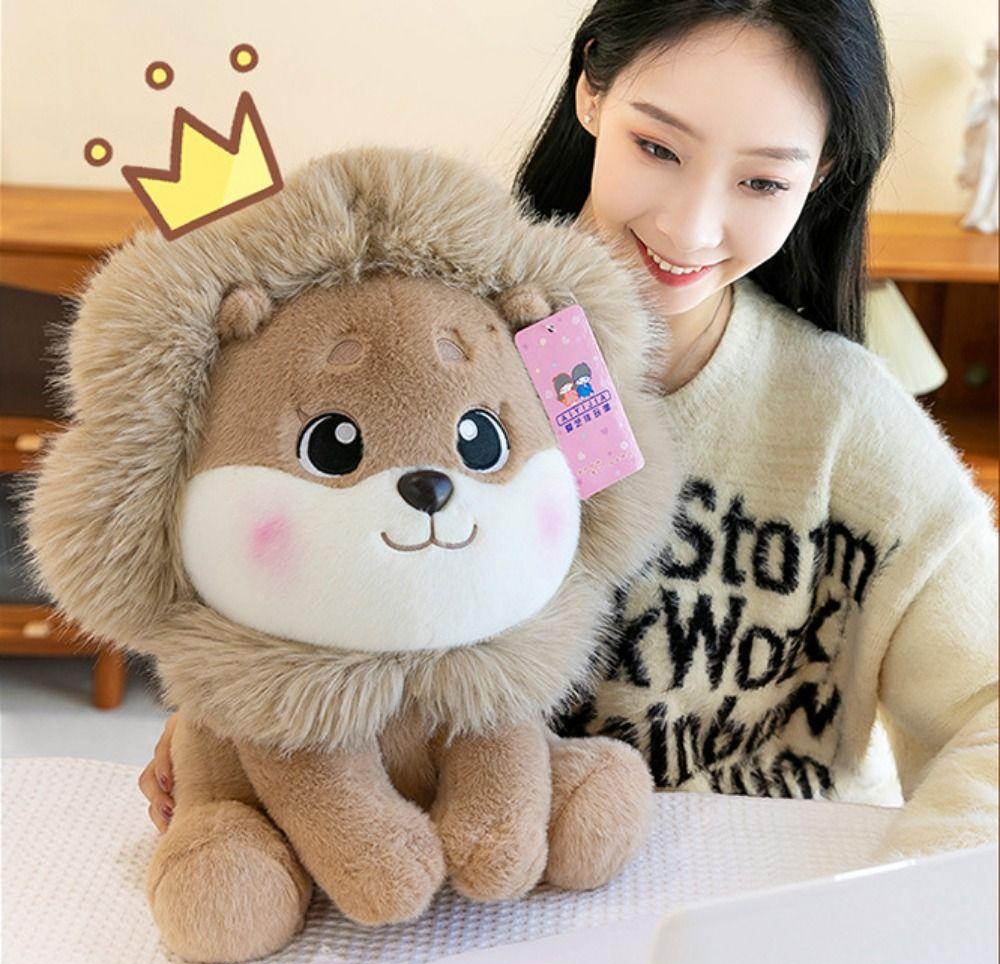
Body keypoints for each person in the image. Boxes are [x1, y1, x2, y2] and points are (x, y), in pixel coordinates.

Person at [141, 0, 998, 858]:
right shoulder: (422, 338)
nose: (691, 226)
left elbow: (986, 704)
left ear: (821, 174)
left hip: (756, 886)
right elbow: (297, 569)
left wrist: (907, 897)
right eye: (657, 148)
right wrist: (237, 718)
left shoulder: (846, 416)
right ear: (592, 89)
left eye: (763, 182)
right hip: (484, 876)